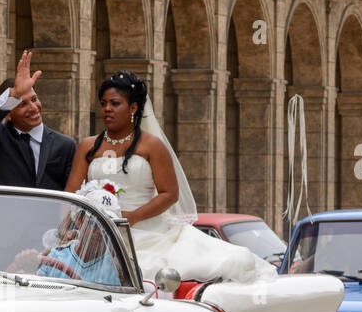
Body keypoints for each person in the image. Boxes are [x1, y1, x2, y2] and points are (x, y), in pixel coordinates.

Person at [65, 70, 276, 285]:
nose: (107, 109)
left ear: (134, 108)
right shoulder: (88, 146)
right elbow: (70, 194)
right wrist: (71, 226)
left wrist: (132, 218)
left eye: (115, 103)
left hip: (145, 230)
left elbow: (169, 193)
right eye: (103, 103)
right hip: (96, 232)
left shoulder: (152, 146)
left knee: (149, 270)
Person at [0, 49, 77, 190]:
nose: (33, 107)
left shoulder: (65, 145)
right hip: (3, 212)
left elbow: (70, 193)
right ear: (8, 114)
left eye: (34, 99)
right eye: (22, 104)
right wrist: (14, 94)